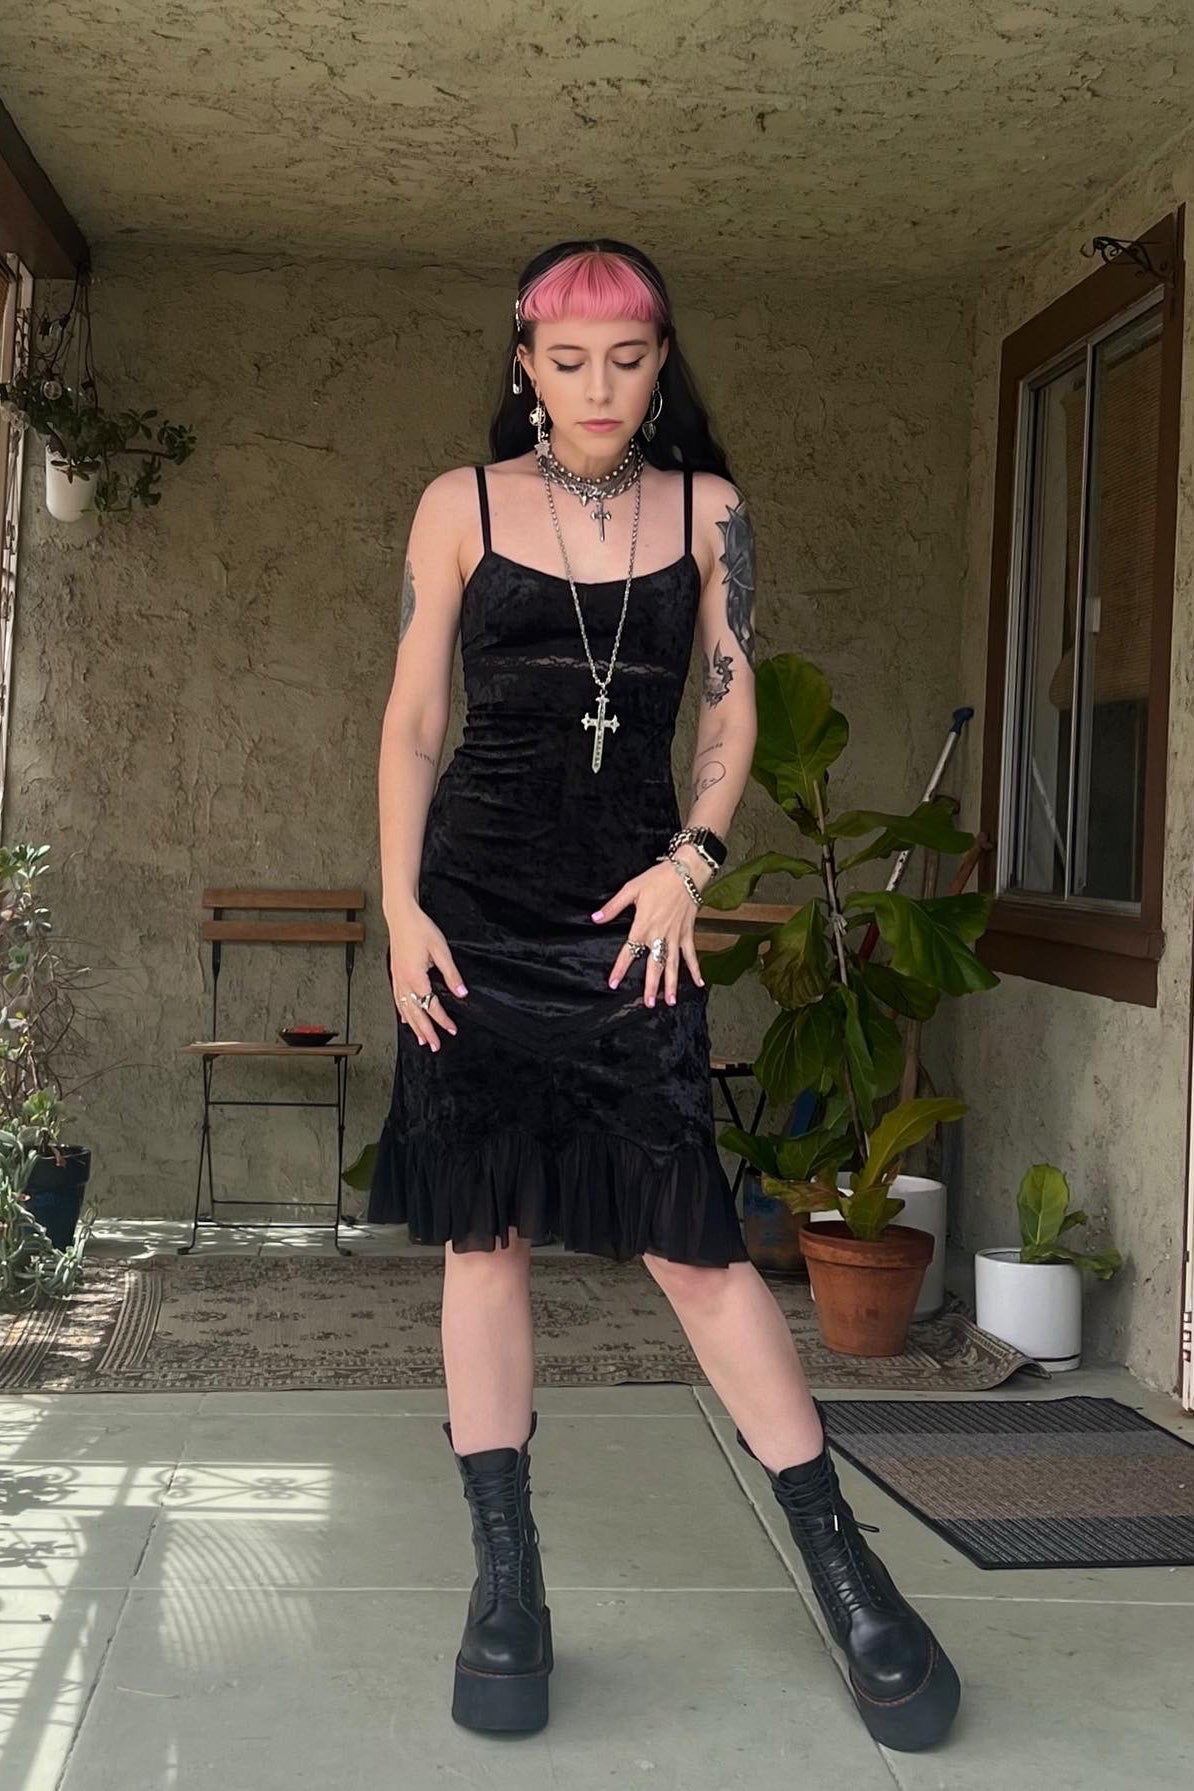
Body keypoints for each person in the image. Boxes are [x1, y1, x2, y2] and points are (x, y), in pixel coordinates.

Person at [372, 238, 960, 1748]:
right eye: (568, 362)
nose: (598, 389)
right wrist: (400, 906)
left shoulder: (709, 512)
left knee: (695, 1246)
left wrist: (693, 861)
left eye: (626, 361)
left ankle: (846, 1573)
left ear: (660, 363)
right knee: (483, 1241)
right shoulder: (458, 505)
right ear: (524, 362)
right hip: (475, 915)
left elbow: (728, 702)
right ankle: (508, 1588)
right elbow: (416, 717)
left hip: (636, 916)